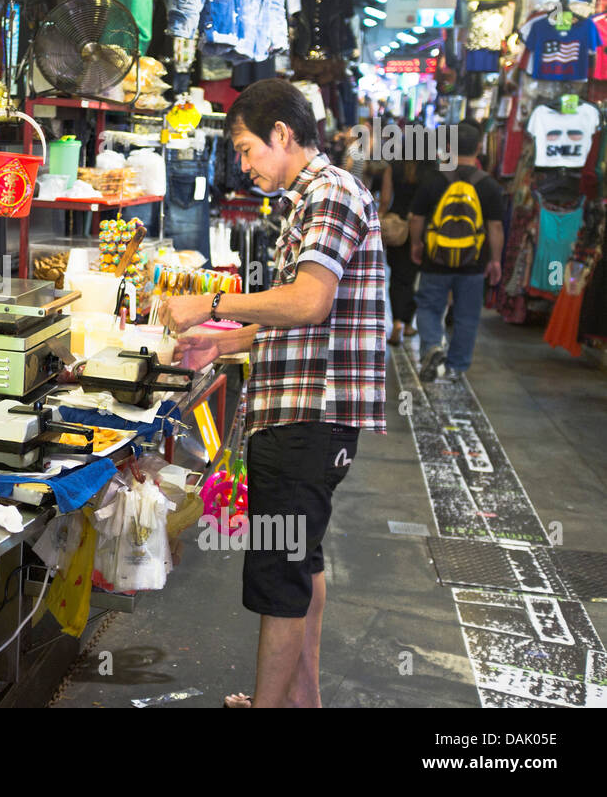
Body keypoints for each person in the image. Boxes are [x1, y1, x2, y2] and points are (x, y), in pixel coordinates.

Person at [160, 78, 386, 709]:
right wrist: (225, 343)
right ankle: (299, 702)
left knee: (279, 573)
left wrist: (209, 302)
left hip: (309, 420)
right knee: (301, 561)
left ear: (283, 134)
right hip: (303, 415)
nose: (245, 162)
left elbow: (310, 302)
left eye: (247, 148)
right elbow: (300, 311)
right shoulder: (314, 196)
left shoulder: (331, 193)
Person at [409, 121, 504, 382]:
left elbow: (416, 218)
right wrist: (495, 260)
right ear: (480, 147)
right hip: (473, 262)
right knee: (467, 315)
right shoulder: (490, 186)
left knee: (428, 308)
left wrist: (416, 244)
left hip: (435, 259)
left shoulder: (434, 179)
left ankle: (432, 347)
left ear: (448, 147)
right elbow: (495, 227)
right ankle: (457, 367)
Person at [380, 149, 427, 345]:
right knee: (415, 277)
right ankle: (408, 324)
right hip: (422, 227)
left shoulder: (393, 167)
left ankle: (397, 322)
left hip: (397, 229)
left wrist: (380, 222)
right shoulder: (431, 169)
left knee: (398, 277)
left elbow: (384, 199)